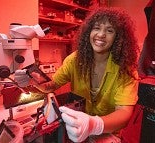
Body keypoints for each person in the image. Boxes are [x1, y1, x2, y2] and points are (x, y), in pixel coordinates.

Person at [15, 7, 140, 143]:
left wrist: (94, 125)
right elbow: (51, 86)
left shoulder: (125, 69)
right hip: (74, 129)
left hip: (106, 132)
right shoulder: (74, 60)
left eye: (109, 30)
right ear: (89, 32)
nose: (101, 34)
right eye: (96, 28)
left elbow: (124, 112)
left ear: (118, 38)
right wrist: (33, 81)